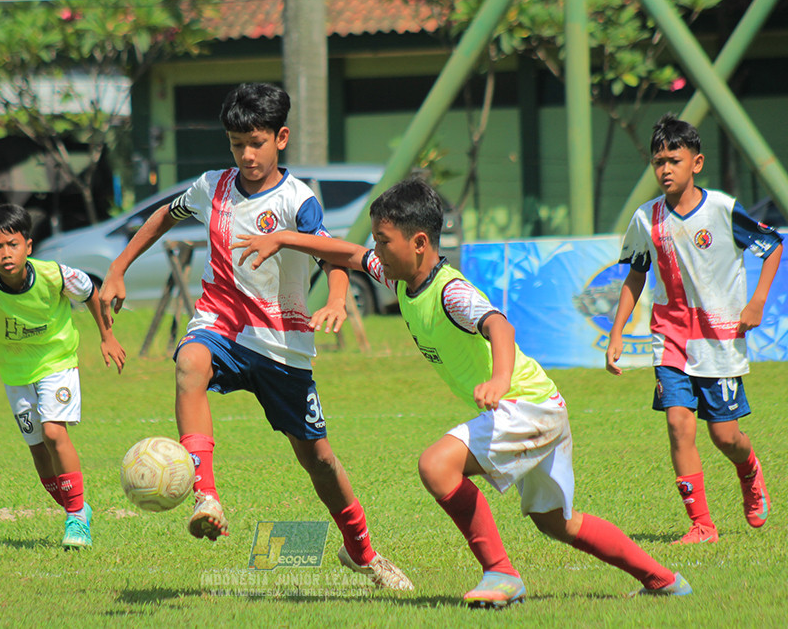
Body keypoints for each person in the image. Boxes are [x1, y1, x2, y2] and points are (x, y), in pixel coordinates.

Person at [232, 176, 692, 607]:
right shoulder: (400, 275)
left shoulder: (451, 291)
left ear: (419, 243)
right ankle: (664, 580)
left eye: (384, 242)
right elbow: (349, 254)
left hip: (525, 403)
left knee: (436, 464)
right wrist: (284, 238)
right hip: (541, 403)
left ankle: (502, 574)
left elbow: (499, 325)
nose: (377, 251)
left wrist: (498, 380)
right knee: (557, 523)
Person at [99, 82, 413, 591]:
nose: (246, 154)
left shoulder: (298, 201)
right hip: (221, 320)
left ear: (280, 138)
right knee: (189, 364)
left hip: (282, 344)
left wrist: (336, 299)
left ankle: (363, 553)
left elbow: (330, 251)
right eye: (235, 143)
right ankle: (206, 495)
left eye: (256, 142)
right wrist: (118, 266)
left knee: (320, 461)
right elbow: (162, 215)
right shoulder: (212, 187)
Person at [606, 114, 783, 544]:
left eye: (674, 159)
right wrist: (616, 332)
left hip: (719, 340)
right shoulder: (645, 219)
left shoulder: (722, 210)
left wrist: (757, 302)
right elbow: (635, 274)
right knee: (678, 425)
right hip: (671, 340)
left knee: (725, 435)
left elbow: (772, 245)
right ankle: (702, 525)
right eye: (658, 161)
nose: (665, 168)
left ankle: (749, 468)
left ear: (696, 163)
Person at [0, 204, 126, 550]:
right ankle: (77, 508)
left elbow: (90, 291)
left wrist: (107, 336)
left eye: (12, 244)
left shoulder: (55, 275)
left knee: (52, 431)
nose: (5, 254)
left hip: (57, 362)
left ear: (28, 246)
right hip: (15, 374)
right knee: (38, 452)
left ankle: (75, 517)